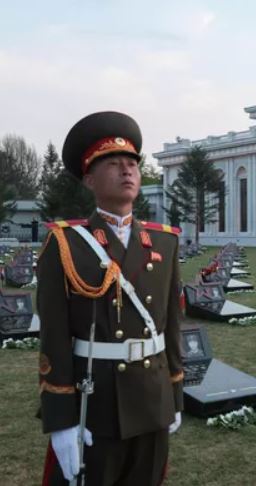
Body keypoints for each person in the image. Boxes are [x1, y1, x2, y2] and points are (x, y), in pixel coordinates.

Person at [38, 111, 183, 485]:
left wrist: (176, 393)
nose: (127, 170)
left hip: (153, 399)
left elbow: (171, 326)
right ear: (89, 179)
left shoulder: (164, 241)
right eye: (114, 164)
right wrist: (61, 419)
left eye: (132, 163)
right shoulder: (67, 243)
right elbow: (54, 337)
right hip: (98, 404)